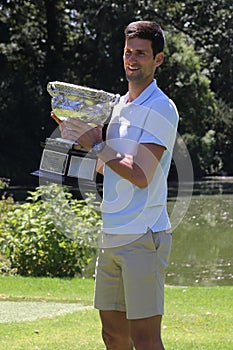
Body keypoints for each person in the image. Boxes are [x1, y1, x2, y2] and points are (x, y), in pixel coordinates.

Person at [60, 20, 179, 350]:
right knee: (112, 335)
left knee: (144, 337)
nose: (132, 59)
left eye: (141, 53)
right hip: (111, 233)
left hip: (144, 236)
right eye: (128, 52)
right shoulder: (118, 107)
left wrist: (97, 143)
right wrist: (80, 137)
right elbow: (109, 170)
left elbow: (141, 175)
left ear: (158, 59)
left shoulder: (161, 108)